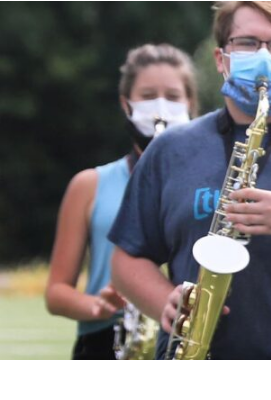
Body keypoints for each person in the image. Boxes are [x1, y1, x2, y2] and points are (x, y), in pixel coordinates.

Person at [109, 1, 271, 360]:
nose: (263, 55)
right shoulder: (170, 148)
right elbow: (127, 258)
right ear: (221, 59)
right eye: (247, 43)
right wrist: (164, 303)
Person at [45, 44, 198, 360]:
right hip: (106, 340)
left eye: (172, 97)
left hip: (188, 337)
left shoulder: (209, 185)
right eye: (147, 96)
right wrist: (96, 307)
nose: (160, 107)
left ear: (190, 104)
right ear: (125, 104)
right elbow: (56, 292)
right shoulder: (90, 184)